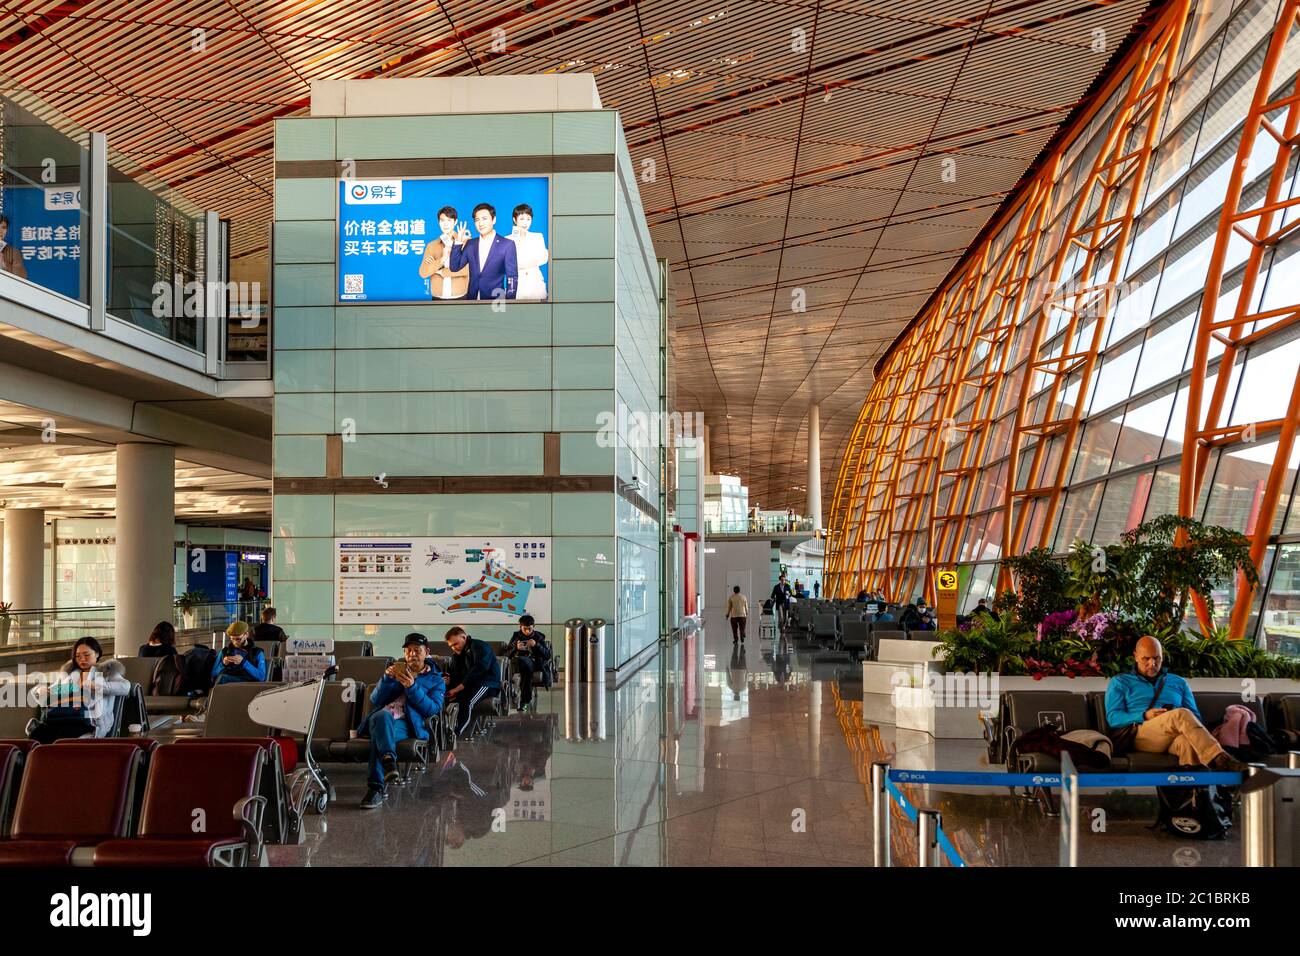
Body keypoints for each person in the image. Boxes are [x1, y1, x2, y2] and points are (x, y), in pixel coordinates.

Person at [1104, 636, 1248, 771]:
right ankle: (1221, 758)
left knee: (1188, 745)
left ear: (1162, 656)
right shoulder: (1120, 682)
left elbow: (1195, 716)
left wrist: (1172, 717)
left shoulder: (1178, 682)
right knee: (1180, 714)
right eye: (1146, 659)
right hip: (1141, 734)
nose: (1152, 664)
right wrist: (1144, 715)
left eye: (1156, 658)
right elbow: (1113, 718)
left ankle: (1194, 795)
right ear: (1135, 656)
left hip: (1174, 733)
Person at [359, 633, 446, 809]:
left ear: (426, 652)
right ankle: (388, 764)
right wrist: (386, 679)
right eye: (408, 651)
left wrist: (412, 687)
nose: (412, 654)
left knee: (380, 735)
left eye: (417, 650)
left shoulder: (436, 680)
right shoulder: (396, 670)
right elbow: (376, 699)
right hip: (381, 718)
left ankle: (376, 787)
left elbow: (432, 709)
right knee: (383, 716)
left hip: (406, 724)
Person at [28, 637, 130, 742]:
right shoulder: (70, 675)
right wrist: (39, 690)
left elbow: (125, 687)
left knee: (62, 737)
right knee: (37, 735)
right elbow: (46, 690)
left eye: (86, 655)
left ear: (97, 653)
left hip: (90, 722)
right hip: (63, 718)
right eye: (78, 656)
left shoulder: (106, 672)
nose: (82, 659)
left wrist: (98, 686)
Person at [449, 202, 518, 301]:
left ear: (493, 220)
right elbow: (454, 267)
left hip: (496, 301)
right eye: (477, 220)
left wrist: (510, 303)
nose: (481, 223)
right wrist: (458, 242)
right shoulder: (471, 244)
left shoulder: (507, 245)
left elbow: (512, 277)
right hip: (472, 300)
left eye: (484, 219)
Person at [444, 626, 502, 737]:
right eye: (451, 646)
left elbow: (479, 669)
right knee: (450, 699)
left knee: (467, 702)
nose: (453, 648)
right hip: (471, 684)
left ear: (464, 637)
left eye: (455, 644)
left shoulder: (480, 646)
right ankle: (446, 729)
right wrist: (449, 682)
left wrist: (458, 688)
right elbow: (455, 673)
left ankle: (457, 733)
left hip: (487, 683)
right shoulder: (458, 655)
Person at [418, 205, 469, 299]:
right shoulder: (432, 245)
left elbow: (467, 270)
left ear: (455, 222)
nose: (445, 224)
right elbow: (423, 273)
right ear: (439, 222)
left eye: (449, 220)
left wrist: (441, 271)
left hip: (461, 297)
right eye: (442, 220)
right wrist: (442, 259)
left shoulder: (465, 243)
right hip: (437, 298)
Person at [505, 614, 551, 711]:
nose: (527, 631)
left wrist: (536, 645)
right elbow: (506, 654)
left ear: (533, 627)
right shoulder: (516, 637)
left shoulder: (538, 637)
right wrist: (515, 648)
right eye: (524, 629)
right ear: (520, 627)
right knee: (521, 663)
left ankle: (524, 701)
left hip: (533, 663)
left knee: (525, 667)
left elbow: (547, 655)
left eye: (529, 629)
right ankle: (518, 697)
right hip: (517, 664)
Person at [508, 203, 548, 300]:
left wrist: (521, 261)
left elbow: (544, 259)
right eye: (522, 219)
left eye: (528, 219)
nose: (525, 223)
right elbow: (509, 264)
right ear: (515, 219)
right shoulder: (508, 240)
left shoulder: (538, 237)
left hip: (536, 283)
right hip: (518, 285)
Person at [210, 621, 267, 685]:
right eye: (232, 639)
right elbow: (213, 674)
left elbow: (262, 677)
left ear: (246, 635)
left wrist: (244, 663)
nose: (235, 642)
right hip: (224, 683)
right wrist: (223, 664)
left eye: (238, 639)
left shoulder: (257, 652)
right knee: (221, 678)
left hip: (246, 685)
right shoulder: (224, 652)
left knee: (223, 678)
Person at [0, 214, 26, 279]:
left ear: (7, 230)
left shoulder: (14, 253)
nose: (0, 231)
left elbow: (22, 279)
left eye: (3, 227)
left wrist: (4, 266)